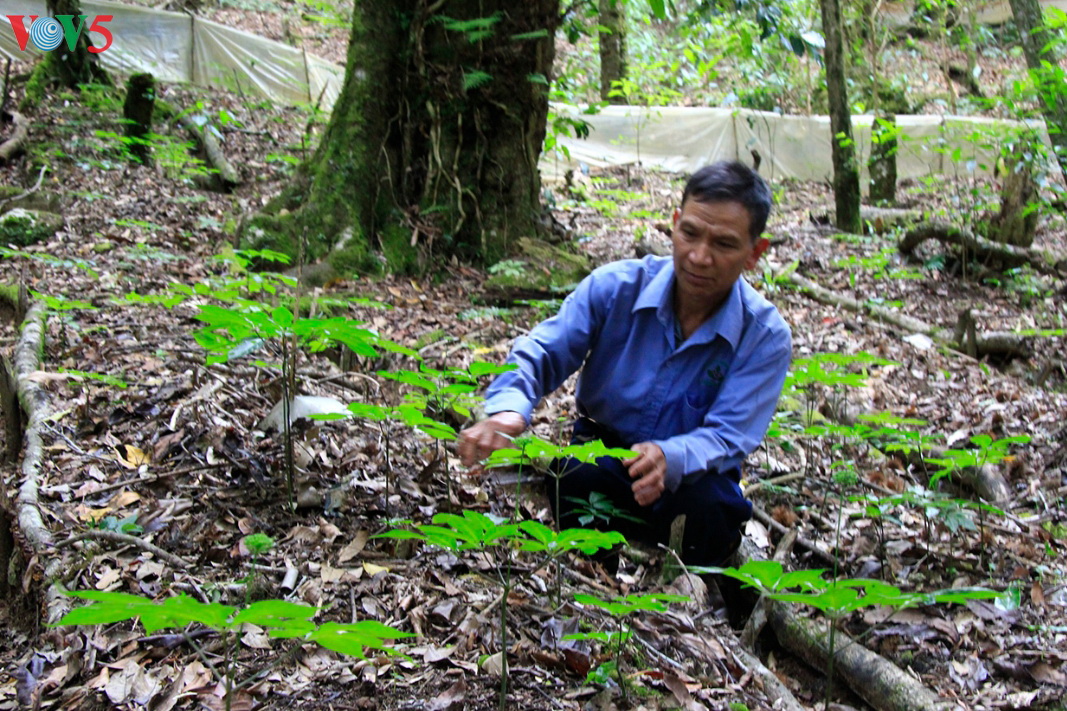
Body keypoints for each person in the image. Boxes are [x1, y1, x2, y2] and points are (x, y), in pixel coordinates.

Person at [458, 160, 791, 567]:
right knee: (576, 475)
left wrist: (672, 456)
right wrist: (509, 406)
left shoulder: (763, 335)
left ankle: (689, 592)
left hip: (696, 476)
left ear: (755, 253)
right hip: (603, 455)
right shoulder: (616, 287)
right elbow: (544, 348)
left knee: (713, 512)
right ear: (674, 224)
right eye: (689, 233)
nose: (699, 256)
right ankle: (589, 579)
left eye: (723, 244)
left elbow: (730, 433)